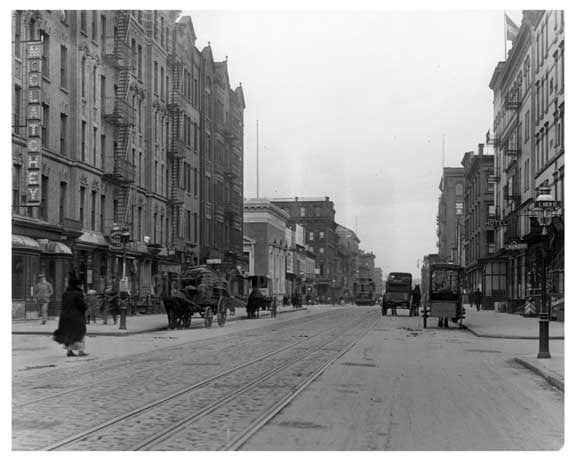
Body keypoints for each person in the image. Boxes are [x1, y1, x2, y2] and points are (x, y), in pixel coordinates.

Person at [53, 271, 88, 357]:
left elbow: (63, 304)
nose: (82, 287)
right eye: (81, 285)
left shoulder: (66, 293)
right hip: (76, 316)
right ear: (78, 286)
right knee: (80, 333)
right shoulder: (78, 294)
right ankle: (81, 351)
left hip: (65, 316)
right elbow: (82, 306)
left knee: (70, 333)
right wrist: (86, 305)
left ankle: (69, 351)